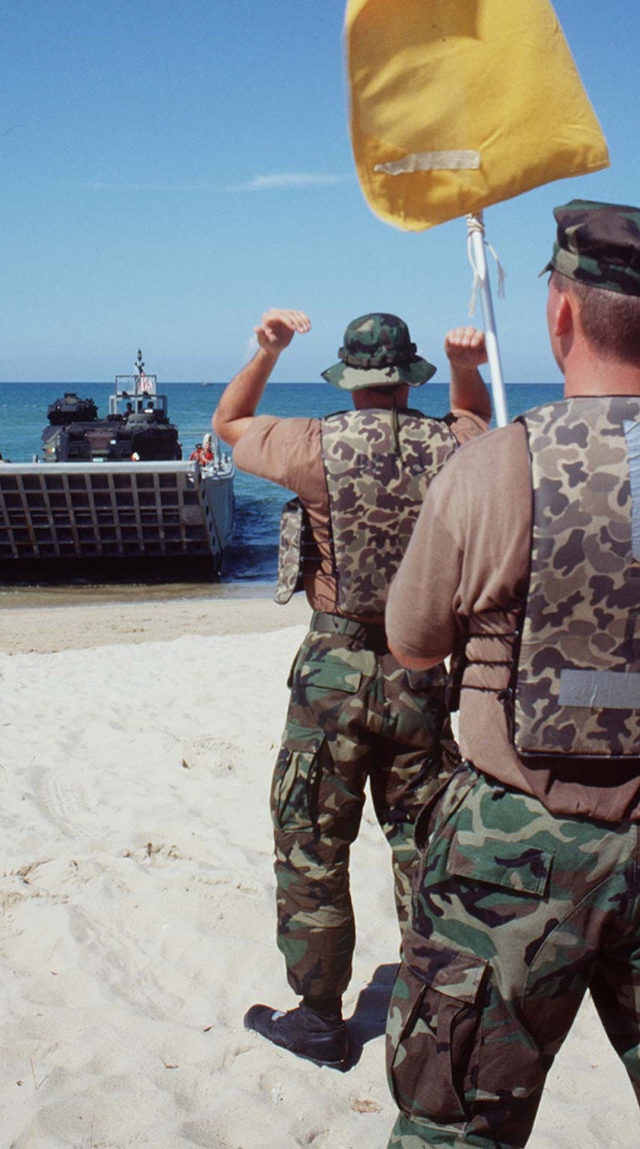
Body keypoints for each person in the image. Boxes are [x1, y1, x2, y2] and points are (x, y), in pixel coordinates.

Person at [383, 201, 640, 1148]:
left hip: (513, 846)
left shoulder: (492, 466)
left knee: (456, 1125)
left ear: (558, 314)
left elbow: (409, 643)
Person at [213, 309, 491, 1069]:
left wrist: (267, 348)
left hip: (333, 670)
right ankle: (435, 1013)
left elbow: (228, 421)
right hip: (420, 666)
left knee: (312, 844)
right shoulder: (450, 445)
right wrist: (465, 364)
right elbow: (475, 419)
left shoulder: (314, 444)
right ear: (407, 380)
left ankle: (318, 1017)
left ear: (349, 378)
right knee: (423, 840)